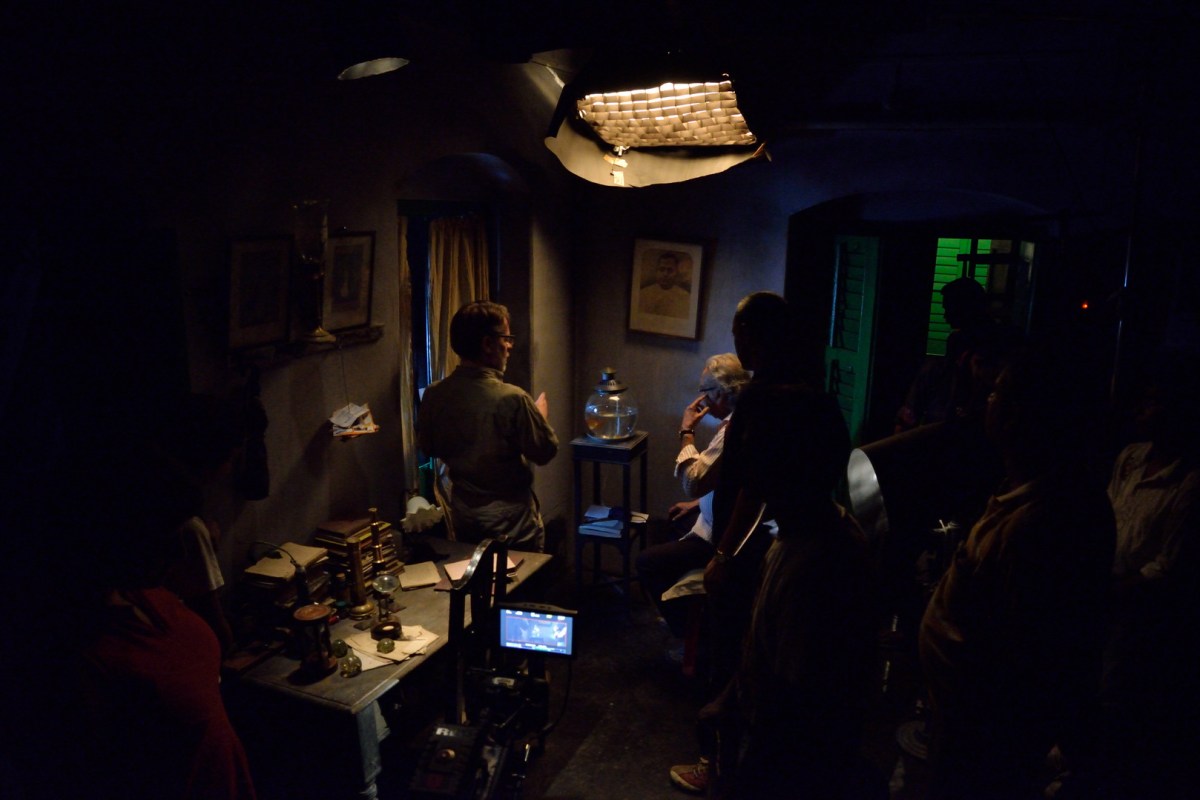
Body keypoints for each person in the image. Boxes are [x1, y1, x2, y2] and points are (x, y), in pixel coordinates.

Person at [918, 346, 1116, 799]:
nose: (985, 399)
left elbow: (1034, 657)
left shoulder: (1047, 522)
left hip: (985, 747)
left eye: (996, 392)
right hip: (966, 732)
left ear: (1021, 415)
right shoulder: (1026, 493)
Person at [672, 292, 820, 795]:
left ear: (753, 336)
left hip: (755, 549)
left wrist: (723, 554)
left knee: (729, 656)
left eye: (739, 333)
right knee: (765, 659)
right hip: (794, 545)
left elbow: (745, 487)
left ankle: (716, 766)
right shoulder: (812, 391)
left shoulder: (759, 401)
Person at [703, 382, 877, 799]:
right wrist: (729, 699)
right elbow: (766, 651)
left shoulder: (818, 566)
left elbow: (796, 709)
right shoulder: (795, 535)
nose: (748, 473)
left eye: (756, 456)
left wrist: (743, 779)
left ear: (786, 467)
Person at [75, 442, 258, 800]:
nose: (179, 552)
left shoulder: (149, 597)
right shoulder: (89, 656)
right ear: (119, 536)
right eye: (165, 536)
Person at [1100, 369, 1200, 797]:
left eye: (1155, 402)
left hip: (1139, 611)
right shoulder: (1131, 457)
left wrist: (1114, 591)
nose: (1143, 409)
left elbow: (1166, 566)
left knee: (1117, 691)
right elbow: (1108, 513)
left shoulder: (1189, 481)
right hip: (1104, 589)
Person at [417, 300, 559, 552]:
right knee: (518, 575)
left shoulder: (434, 394)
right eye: (506, 338)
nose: (510, 346)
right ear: (487, 344)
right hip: (511, 521)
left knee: (474, 574)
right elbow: (544, 451)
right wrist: (540, 418)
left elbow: (427, 447)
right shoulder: (513, 399)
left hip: (463, 514)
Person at [637, 353, 749, 640]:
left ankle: (689, 636)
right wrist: (697, 504)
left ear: (720, 394)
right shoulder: (737, 421)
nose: (703, 399)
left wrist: (686, 431)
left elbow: (693, 481)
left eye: (705, 391)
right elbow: (728, 482)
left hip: (719, 536)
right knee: (666, 523)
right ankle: (688, 615)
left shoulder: (734, 429)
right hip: (711, 517)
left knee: (647, 562)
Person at [639, 252, 691, 318]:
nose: (665, 274)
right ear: (656, 271)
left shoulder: (686, 298)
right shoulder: (643, 294)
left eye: (670, 270)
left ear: (676, 273)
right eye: (661, 269)